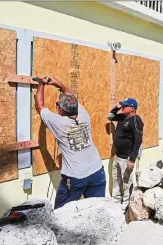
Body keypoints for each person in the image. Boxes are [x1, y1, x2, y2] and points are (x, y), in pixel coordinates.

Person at [34, 76, 106, 209]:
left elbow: (39, 106)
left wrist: (41, 84)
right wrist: (58, 84)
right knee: (97, 209)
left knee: (62, 213)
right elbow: (70, 95)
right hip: (97, 171)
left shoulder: (59, 122)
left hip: (76, 177)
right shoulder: (83, 114)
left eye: (58, 106)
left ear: (60, 109)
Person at [107, 98, 144, 212]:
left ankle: (127, 203)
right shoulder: (122, 117)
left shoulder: (136, 120)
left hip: (127, 157)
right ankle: (116, 200)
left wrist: (132, 159)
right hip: (118, 156)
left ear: (132, 108)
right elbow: (110, 117)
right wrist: (117, 107)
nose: (122, 108)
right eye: (122, 106)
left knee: (126, 181)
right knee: (117, 179)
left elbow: (138, 140)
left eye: (125, 106)